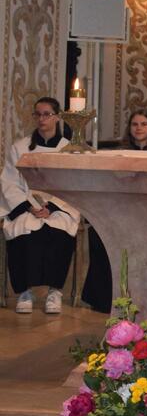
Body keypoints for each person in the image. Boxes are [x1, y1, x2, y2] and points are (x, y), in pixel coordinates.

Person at [1, 97, 81, 315]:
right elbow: (8, 181)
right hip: (26, 205)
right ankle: (24, 292)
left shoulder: (70, 149)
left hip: (57, 206)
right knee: (24, 232)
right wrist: (27, 206)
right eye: (37, 114)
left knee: (58, 231)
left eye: (46, 114)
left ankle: (55, 291)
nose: (41, 118)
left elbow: (73, 185)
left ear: (56, 117)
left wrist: (52, 208)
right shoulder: (20, 147)